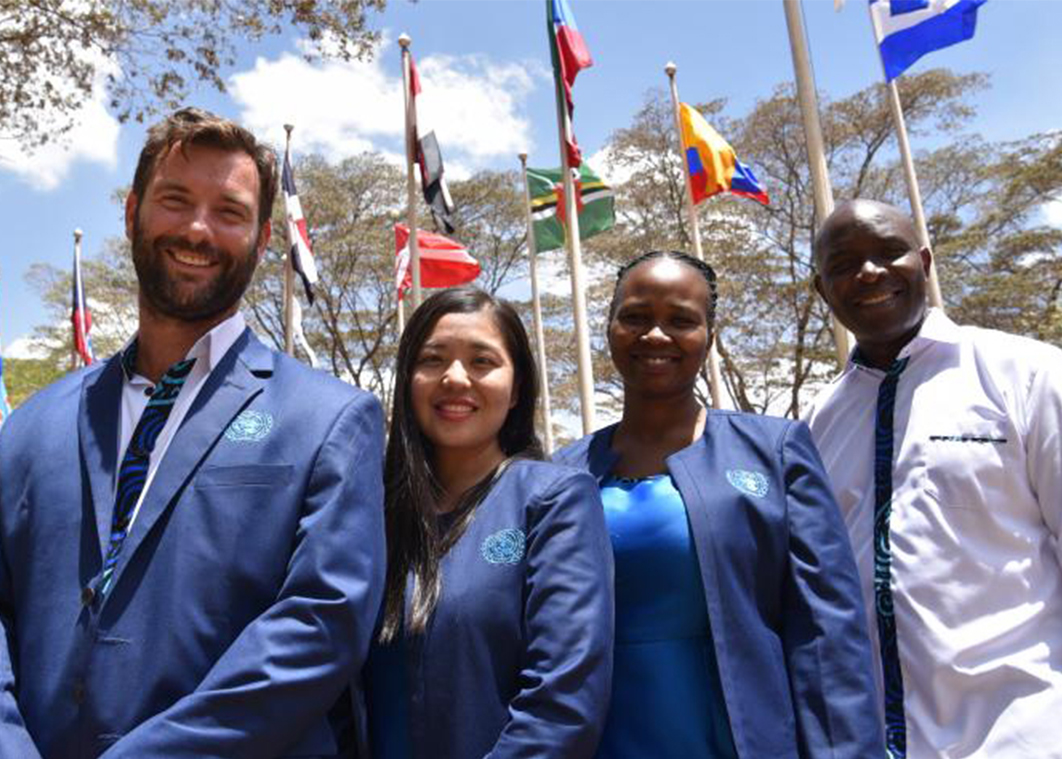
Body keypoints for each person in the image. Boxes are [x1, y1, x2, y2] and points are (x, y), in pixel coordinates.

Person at [0, 108, 386, 758]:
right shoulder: (31, 424)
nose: (198, 229)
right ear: (132, 213)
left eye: (229, 212)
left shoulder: (332, 420)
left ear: (263, 238)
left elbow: (320, 628)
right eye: (175, 200)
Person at [555, 251, 882, 759]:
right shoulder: (558, 474)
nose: (656, 336)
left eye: (681, 320)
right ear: (610, 327)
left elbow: (827, 636)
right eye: (636, 317)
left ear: (709, 334)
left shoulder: (776, 451)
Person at [806, 198, 1062, 758]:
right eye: (844, 263)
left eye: (888, 252)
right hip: (874, 742)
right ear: (823, 291)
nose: (869, 272)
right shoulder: (818, 421)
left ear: (924, 261)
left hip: (1023, 733)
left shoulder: (1028, 375)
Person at [364, 286, 613, 759]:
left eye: (483, 362)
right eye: (433, 359)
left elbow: (564, 699)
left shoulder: (554, 501)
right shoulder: (371, 511)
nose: (455, 378)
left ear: (516, 386)